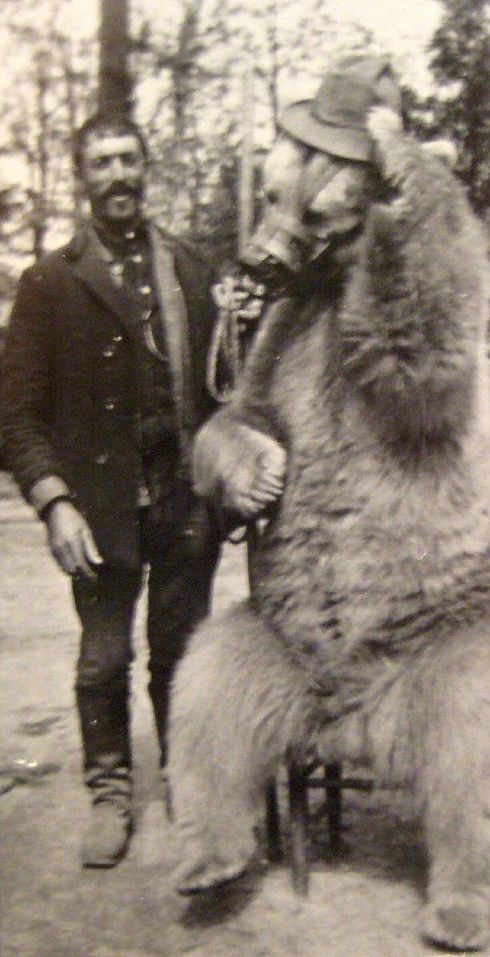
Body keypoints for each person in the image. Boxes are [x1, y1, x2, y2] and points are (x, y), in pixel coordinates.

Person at [0, 113, 229, 868]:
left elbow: (226, 387)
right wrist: (52, 499)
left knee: (180, 650)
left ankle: (186, 779)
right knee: (103, 658)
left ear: (147, 166)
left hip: (183, 498)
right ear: (82, 176)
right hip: (97, 511)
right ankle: (109, 793)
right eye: (102, 162)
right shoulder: (48, 282)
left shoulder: (193, 270)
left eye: (129, 159)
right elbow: (15, 412)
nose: (119, 174)